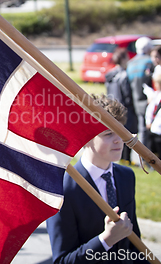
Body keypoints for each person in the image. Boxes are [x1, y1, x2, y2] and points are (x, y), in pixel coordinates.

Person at [46, 94, 144, 264]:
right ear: (85, 139)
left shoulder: (126, 176)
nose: (118, 140)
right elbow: (63, 260)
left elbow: (134, 242)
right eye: (108, 134)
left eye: (121, 131)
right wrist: (105, 240)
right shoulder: (63, 188)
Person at [105, 48, 138, 163]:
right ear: (123, 59)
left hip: (112, 108)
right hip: (124, 109)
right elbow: (127, 95)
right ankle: (126, 159)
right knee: (126, 134)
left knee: (116, 134)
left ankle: (122, 159)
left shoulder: (110, 75)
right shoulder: (124, 75)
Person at [127, 36, 154, 149]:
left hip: (135, 100)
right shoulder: (149, 62)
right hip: (149, 100)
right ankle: (145, 156)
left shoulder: (130, 63)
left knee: (141, 128)